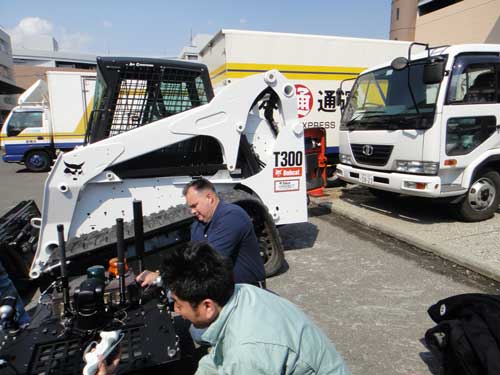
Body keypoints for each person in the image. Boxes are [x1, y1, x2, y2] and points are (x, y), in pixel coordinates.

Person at [167, 241, 350, 375]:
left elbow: (240, 358)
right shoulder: (241, 293)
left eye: (179, 304)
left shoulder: (246, 354)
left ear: (208, 306)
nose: (177, 310)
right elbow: (218, 357)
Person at [137, 178, 266, 287]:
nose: (192, 211)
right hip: (223, 291)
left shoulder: (232, 216)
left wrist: (161, 277)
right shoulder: (198, 225)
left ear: (209, 198)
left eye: (194, 205)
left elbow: (208, 261)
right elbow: (191, 258)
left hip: (247, 291)